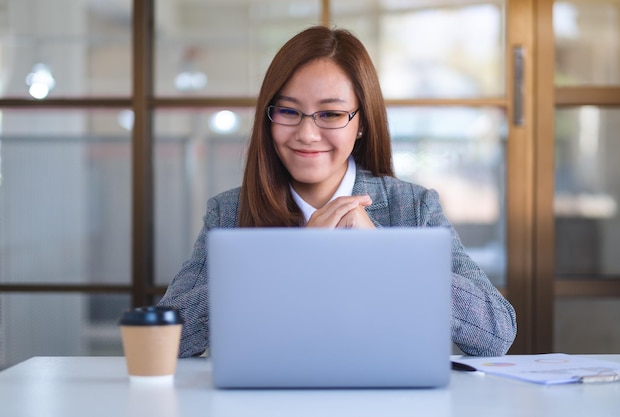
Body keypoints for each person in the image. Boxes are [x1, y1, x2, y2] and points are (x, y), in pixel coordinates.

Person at [158, 25, 517, 358]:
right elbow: (164, 337)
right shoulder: (230, 211)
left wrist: (386, 254)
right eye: (288, 111)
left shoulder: (413, 207)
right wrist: (286, 262)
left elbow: (497, 334)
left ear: (361, 123)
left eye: (330, 114)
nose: (307, 134)